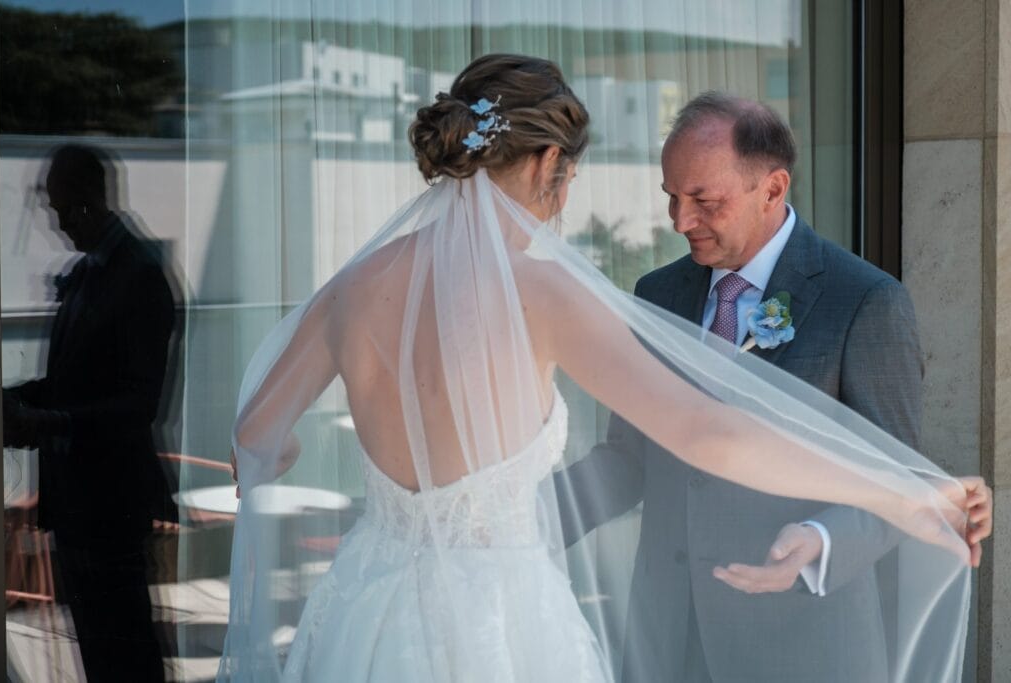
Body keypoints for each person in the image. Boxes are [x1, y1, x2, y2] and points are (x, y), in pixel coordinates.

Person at [219, 55, 989, 683]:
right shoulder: (544, 288)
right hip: (502, 623)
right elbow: (703, 432)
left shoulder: (351, 288)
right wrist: (902, 493)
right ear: (551, 160)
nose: (681, 218)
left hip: (369, 612)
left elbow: (256, 435)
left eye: (703, 198)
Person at [555, 92, 993, 682]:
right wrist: (525, 514)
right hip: (665, 639)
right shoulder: (657, 295)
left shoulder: (864, 302)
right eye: (672, 199)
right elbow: (630, 458)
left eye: (704, 201)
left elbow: (902, 477)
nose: (681, 222)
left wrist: (819, 539)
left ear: (772, 188)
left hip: (803, 645)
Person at [2, 144, 176, 682]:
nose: (58, 226)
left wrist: (48, 423)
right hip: (79, 503)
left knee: (125, 653)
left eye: (61, 212)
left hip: (110, 505)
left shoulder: (139, 275)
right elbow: (75, 381)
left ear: (86, 202)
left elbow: (138, 403)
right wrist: (19, 398)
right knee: (101, 652)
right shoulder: (91, 273)